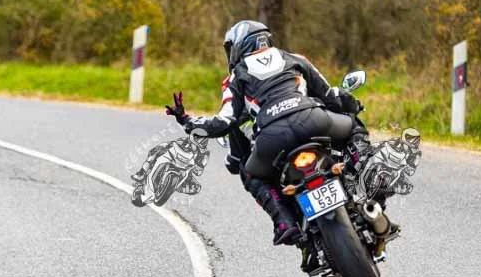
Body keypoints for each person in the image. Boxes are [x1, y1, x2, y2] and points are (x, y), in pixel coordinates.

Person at [165, 20, 386, 246]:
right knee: (353, 125)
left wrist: (186, 120)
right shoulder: (294, 58)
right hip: (312, 120)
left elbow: (224, 122)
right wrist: (353, 105)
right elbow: (330, 96)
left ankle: (284, 222)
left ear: (239, 47)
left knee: (250, 173)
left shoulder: (235, 77)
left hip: (272, 138)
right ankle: (369, 174)